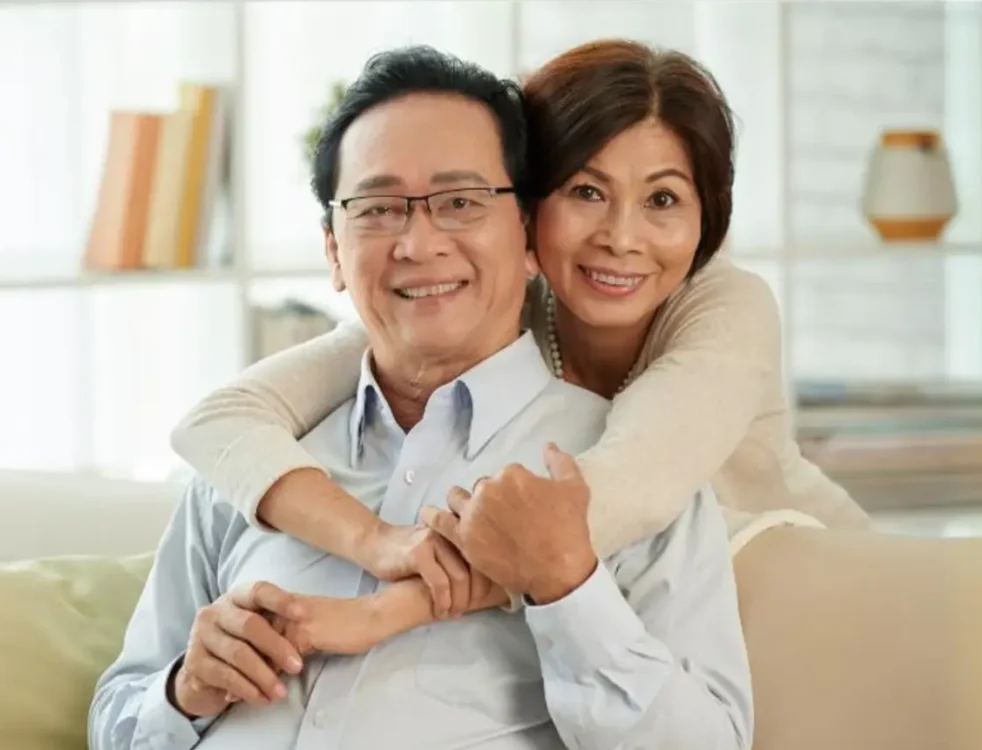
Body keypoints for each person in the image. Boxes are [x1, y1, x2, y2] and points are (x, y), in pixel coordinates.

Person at [88, 46, 751, 750]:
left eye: (460, 201)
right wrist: (186, 689)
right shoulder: (260, 464)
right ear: (333, 250)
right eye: (377, 209)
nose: (418, 242)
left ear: (528, 232)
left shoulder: (626, 475)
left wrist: (566, 589)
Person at [171, 39, 865, 626]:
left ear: (706, 216)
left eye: (663, 200)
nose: (622, 238)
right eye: (586, 192)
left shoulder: (727, 305)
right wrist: (373, 540)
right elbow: (220, 418)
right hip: (646, 614)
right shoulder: (506, 298)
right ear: (528, 215)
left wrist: (386, 612)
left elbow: (623, 495)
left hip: (810, 591)